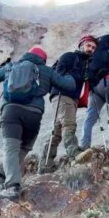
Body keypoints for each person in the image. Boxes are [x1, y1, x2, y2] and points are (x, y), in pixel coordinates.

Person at [0, 46, 75, 200]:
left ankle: (11, 186)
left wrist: (1, 67)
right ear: (43, 60)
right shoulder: (46, 70)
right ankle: (1, 177)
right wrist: (69, 74)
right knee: (23, 148)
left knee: (10, 149)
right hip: (34, 114)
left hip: (11, 112)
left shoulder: (12, 66)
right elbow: (69, 86)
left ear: (27, 55)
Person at [43, 35, 97, 171]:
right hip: (63, 94)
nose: (90, 49)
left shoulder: (86, 64)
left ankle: (45, 165)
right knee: (69, 124)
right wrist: (78, 77)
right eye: (88, 45)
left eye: (93, 48)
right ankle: (74, 154)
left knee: (56, 132)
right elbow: (58, 73)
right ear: (81, 45)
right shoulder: (69, 56)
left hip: (70, 97)